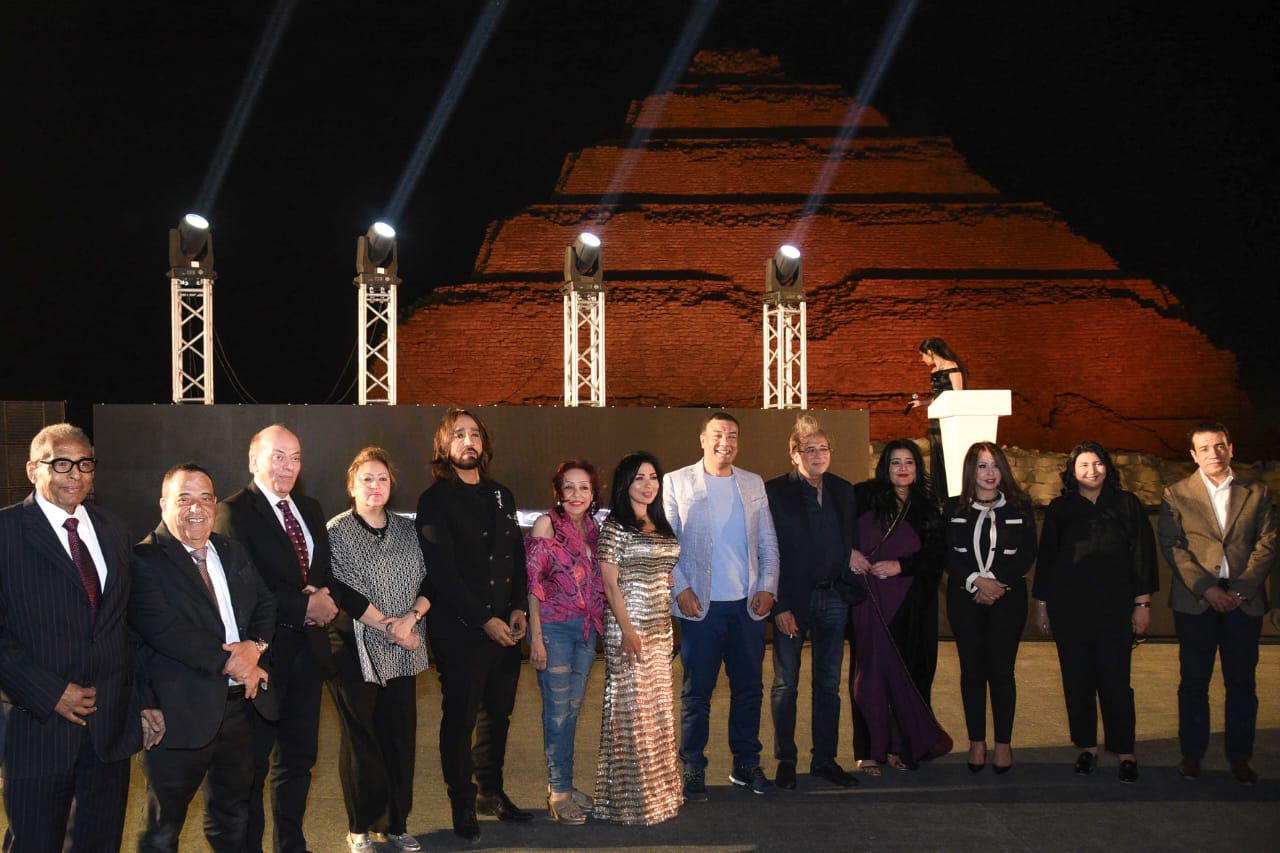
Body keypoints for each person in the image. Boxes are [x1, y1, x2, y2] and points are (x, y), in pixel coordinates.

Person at [214, 424, 368, 853]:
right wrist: (303, 605)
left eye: (295, 457)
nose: (288, 466)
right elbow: (243, 587)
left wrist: (322, 596)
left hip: (309, 657)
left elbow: (322, 571)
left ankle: (291, 845)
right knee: (252, 769)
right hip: (262, 661)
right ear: (253, 461)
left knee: (298, 762)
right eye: (278, 456)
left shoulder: (310, 507)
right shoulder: (233, 512)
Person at [0, 424, 145, 852]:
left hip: (108, 731)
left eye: (85, 464)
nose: (76, 474)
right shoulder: (5, 532)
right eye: (61, 464)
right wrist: (50, 692)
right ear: (33, 470)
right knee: (34, 843)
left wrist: (143, 701)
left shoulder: (113, 528)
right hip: (37, 727)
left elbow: (128, 624)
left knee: (101, 843)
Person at [130, 463, 278, 851]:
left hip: (238, 710)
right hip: (177, 714)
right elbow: (164, 630)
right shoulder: (143, 559)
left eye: (205, 498)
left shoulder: (230, 549)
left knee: (233, 819)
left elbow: (265, 604)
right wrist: (235, 662)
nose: (196, 508)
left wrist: (255, 647)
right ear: (163, 504)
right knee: (163, 829)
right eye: (184, 499)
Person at [414, 408, 531, 840]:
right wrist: (484, 620)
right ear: (444, 446)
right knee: (460, 719)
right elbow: (442, 572)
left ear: (485, 444)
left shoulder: (502, 495)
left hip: (506, 631)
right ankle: (462, 802)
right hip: (461, 631)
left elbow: (516, 557)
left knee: (498, 715)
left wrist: (518, 608)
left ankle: (490, 792)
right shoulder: (434, 500)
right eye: (459, 435)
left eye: (475, 434)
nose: (469, 442)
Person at [664, 412, 780, 799]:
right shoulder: (676, 482)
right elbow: (667, 545)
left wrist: (768, 587)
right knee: (696, 694)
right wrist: (681, 589)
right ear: (702, 439)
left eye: (732, 435)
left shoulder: (753, 483)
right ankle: (692, 767)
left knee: (749, 690)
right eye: (717, 434)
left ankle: (745, 763)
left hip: (747, 608)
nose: (724, 442)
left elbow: (768, 543)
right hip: (700, 608)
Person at [1158, 421, 1277, 784]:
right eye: (1205, 448)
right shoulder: (1176, 494)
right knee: (1194, 682)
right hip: (1196, 601)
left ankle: (1240, 758)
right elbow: (1173, 546)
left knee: (1242, 683)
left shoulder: (1256, 492)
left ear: (1231, 448)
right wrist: (1207, 589)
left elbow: (1267, 544)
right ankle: (1192, 755)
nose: (1214, 453)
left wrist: (1240, 591)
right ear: (1194, 455)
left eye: (1220, 446)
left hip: (1244, 601)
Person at [325, 448, 431, 852]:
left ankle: (396, 824)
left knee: (400, 739)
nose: (375, 486)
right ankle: (359, 827)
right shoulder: (336, 531)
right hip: (355, 651)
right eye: (366, 479)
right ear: (351, 486)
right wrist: (391, 626)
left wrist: (410, 621)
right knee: (361, 743)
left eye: (382, 479)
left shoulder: (408, 529)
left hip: (405, 648)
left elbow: (430, 580)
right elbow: (343, 590)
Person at [1033, 442, 1157, 783]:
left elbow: (1142, 556)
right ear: (1073, 472)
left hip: (1116, 609)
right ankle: (1086, 747)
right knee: (1077, 681)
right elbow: (1047, 560)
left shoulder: (1127, 504)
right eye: (1084, 465)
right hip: (1069, 609)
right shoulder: (1060, 509)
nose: (1092, 470)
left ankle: (1125, 752)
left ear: (1107, 467)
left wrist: (1142, 604)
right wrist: (1041, 605)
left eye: (1098, 463)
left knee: (1116, 682)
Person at [764, 416, 860, 789]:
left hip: (834, 597)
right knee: (785, 684)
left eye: (823, 449)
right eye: (809, 450)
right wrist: (779, 605)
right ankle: (786, 761)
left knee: (828, 684)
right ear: (794, 454)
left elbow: (847, 539)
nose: (817, 455)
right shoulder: (774, 491)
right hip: (792, 601)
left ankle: (824, 760)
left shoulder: (844, 490)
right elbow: (767, 550)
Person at [847, 439, 950, 775]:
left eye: (909, 462)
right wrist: (850, 553)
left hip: (911, 606)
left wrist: (900, 566)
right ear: (885, 467)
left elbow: (936, 557)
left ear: (918, 468)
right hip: (869, 602)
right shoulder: (863, 496)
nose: (903, 469)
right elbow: (840, 532)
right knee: (867, 676)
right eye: (895, 462)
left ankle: (902, 746)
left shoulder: (927, 508)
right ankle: (868, 749)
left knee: (910, 675)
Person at [594, 451, 683, 825]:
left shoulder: (659, 523)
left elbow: (664, 569)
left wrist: (663, 579)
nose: (648, 485)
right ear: (625, 484)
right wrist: (628, 631)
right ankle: (631, 802)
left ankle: (661, 795)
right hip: (628, 627)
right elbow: (610, 585)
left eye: (653, 477)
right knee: (631, 714)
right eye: (639, 478)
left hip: (660, 628)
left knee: (658, 712)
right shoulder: (615, 527)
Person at [943, 442, 1036, 775]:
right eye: (982, 466)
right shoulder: (952, 507)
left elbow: (1027, 553)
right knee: (972, 671)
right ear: (971, 471)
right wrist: (976, 581)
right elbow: (946, 552)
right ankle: (977, 742)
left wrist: (995, 584)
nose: (990, 473)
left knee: (1001, 671)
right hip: (964, 600)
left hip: (1007, 600)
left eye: (995, 465)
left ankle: (1004, 744)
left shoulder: (1020, 507)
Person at [525, 459, 605, 825]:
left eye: (584, 487)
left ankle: (566, 786)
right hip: (553, 630)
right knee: (557, 713)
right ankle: (558, 792)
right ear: (558, 492)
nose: (576, 494)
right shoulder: (547, 524)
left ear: (593, 493)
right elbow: (533, 584)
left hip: (586, 631)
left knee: (572, 711)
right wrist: (536, 637)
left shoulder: (593, 530)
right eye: (569, 487)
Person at [909, 338, 968, 504]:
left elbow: (958, 395)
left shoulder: (952, 367)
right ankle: (940, 495)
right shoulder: (934, 371)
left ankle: (953, 495)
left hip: (950, 419)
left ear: (930, 352)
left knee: (949, 453)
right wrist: (921, 403)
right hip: (937, 418)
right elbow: (938, 397)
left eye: (923, 355)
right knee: (938, 452)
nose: (922, 360)